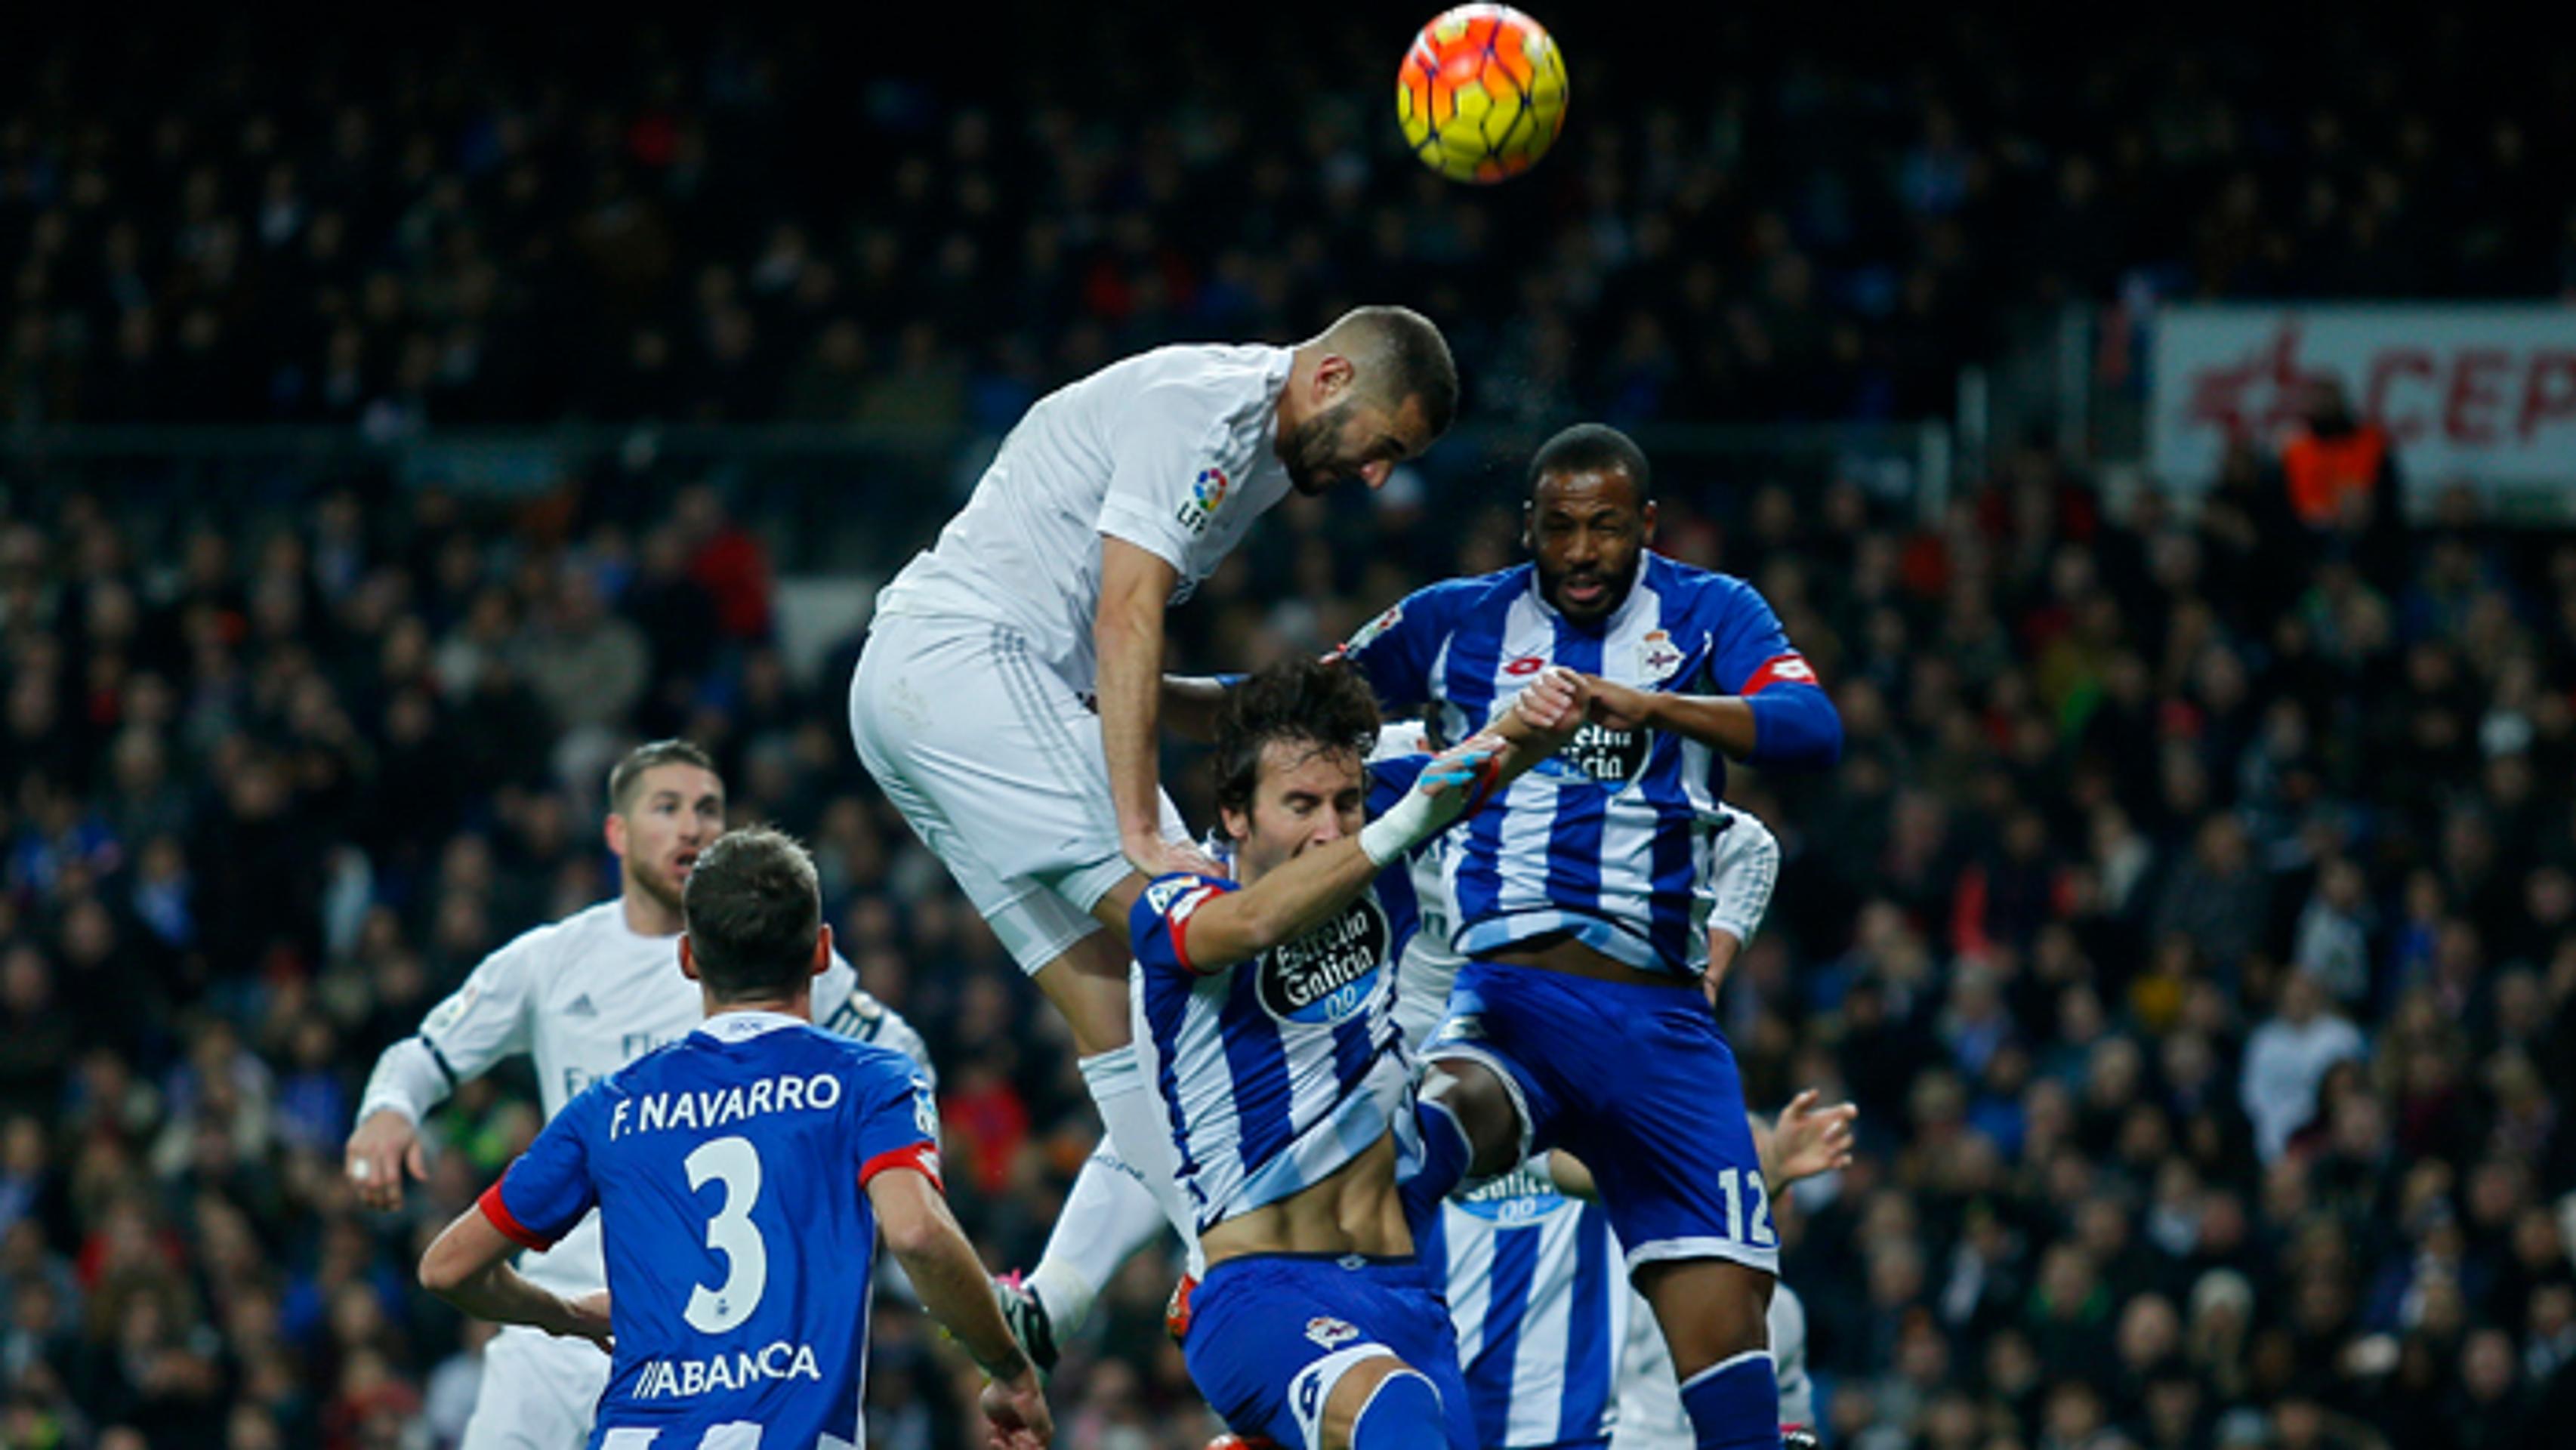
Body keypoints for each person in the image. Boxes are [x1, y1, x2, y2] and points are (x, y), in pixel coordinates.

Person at [848, 307, 1459, 1354]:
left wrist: (1248, 714)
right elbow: (1124, 614)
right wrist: (1139, 826)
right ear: (1331, 376)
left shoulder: (1256, 446)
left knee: (1114, 1009)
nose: (1374, 476)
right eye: (1382, 445)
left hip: (918, 690)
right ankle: (1241, 1269)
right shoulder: (1206, 413)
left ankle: (1064, 1303)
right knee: (1208, 946)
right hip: (976, 665)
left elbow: (1125, 646)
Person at [1334, 423, 1843, 1450]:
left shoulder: (1709, 613)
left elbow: (1812, 730)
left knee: (1739, 1356)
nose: (1577, 551)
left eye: (1603, 528)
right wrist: (1130, 691)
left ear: (1643, 526)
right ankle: (1315, 1358)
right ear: (1525, 526)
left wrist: (1649, 706)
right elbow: (1295, 707)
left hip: (1657, 1028)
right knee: (1404, 1153)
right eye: (1556, 527)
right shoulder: (1454, 625)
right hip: (1507, 1004)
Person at [347, 740, 930, 1449]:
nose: (693, 827)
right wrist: (389, 1108)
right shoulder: (551, 960)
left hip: (709, 1340)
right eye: (668, 808)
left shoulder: (773, 957)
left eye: (709, 809)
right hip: (555, 1322)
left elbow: (902, 1061)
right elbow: (424, 1054)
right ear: (616, 833)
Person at [418, 826, 1049, 1448]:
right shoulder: (869, 1079)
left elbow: (448, 1269)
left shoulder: (613, 1104)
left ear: (689, 957)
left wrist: (566, 1316)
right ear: (822, 952)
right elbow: (916, 1233)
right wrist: (1009, 1370)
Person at [1133, 656, 1581, 1449]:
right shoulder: (1182, 902)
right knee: (1396, 1414)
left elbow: (1492, 756)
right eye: (1300, 805)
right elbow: (1249, 931)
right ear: (1235, 814)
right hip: (1261, 1294)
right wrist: (1399, 824)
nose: (1330, 829)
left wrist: (1554, 705)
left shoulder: (1382, 815)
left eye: (1346, 802)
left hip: (1405, 1293)